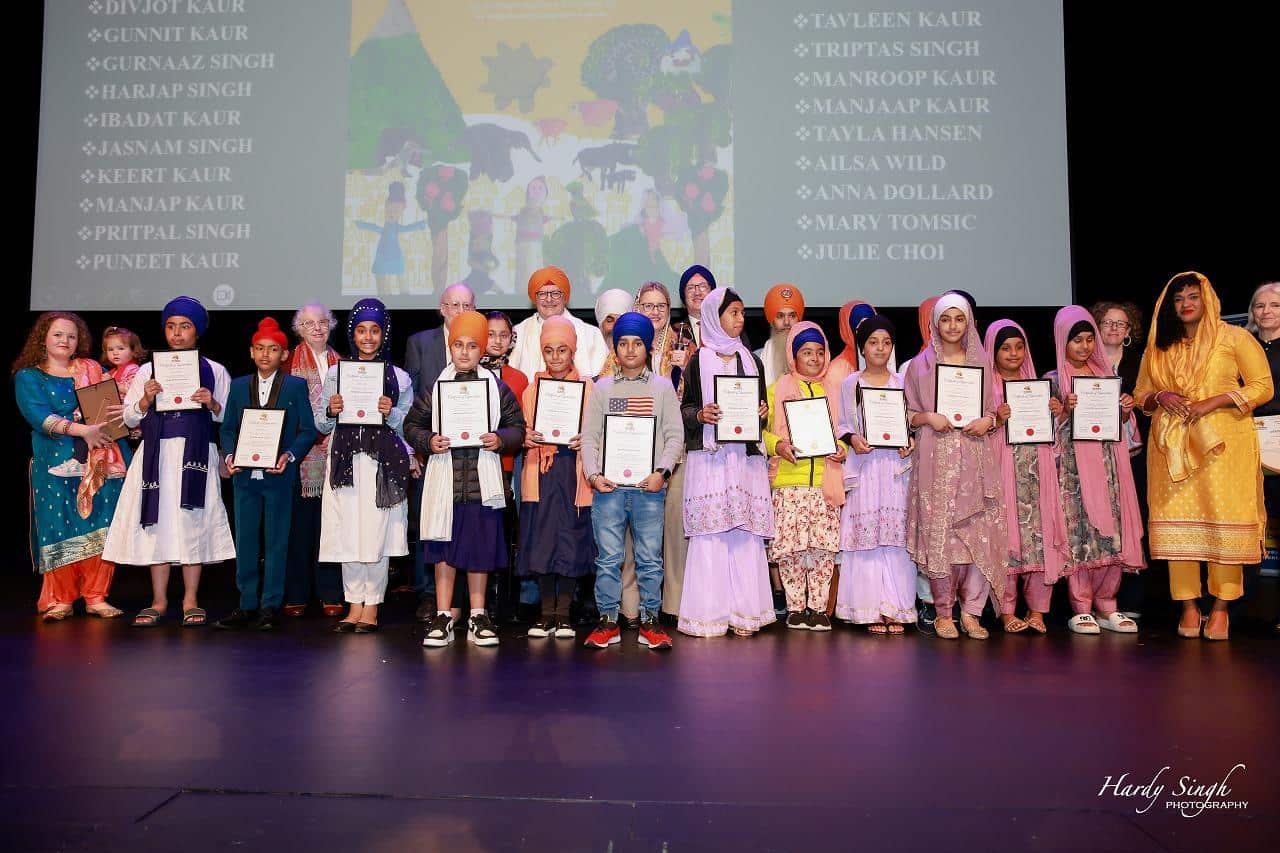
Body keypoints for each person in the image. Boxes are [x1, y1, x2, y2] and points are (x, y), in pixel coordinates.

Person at [1135, 271, 1272, 640]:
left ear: (1207, 298)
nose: (1186, 304)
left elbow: (1262, 386)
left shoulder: (1235, 337)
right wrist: (1160, 396)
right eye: (1178, 299)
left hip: (1224, 446)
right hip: (1171, 448)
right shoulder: (1159, 345)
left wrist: (1214, 401)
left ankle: (1222, 607)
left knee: (1221, 523)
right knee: (1180, 527)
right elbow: (1140, 394)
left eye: (1193, 296)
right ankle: (1189, 606)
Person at [103, 296, 235, 627]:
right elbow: (131, 419)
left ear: (197, 331)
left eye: (185, 327)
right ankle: (158, 601)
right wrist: (146, 397)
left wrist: (214, 404)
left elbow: (230, 421)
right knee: (157, 521)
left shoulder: (215, 370)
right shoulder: (146, 370)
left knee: (193, 522)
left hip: (196, 455)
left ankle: (191, 599)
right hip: (156, 455)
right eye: (171, 327)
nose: (177, 334)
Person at [408, 311, 525, 648]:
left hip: (481, 486)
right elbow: (412, 425)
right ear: (450, 347)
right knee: (443, 550)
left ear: (483, 349)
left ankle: (478, 613)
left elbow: (518, 428)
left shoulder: (497, 388)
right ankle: (444, 614)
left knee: (480, 551)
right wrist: (427, 441)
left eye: (472, 346)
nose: (464, 352)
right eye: (458, 345)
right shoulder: (436, 388)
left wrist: (500, 439)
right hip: (445, 485)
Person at [14, 312, 130, 620]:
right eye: (58, 335)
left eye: (72, 336)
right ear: (43, 338)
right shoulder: (29, 377)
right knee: (59, 525)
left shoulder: (92, 371)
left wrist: (130, 416)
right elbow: (39, 417)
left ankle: (96, 597)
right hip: (53, 465)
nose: (65, 341)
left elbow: (112, 408)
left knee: (100, 526)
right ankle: (61, 599)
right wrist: (84, 431)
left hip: (100, 461)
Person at [903, 293, 1006, 640]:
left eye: (958, 319)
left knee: (977, 531)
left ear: (969, 323)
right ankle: (944, 612)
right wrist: (927, 417)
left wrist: (988, 421)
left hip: (974, 455)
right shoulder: (921, 365)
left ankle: (972, 613)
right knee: (941, 535)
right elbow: (907, 414)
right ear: (935, 323)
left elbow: (993, 408)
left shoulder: (982, 364)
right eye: (945, 319)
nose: (951, 326)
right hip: (936, 458)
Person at [580, 312, 683, 650]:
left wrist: (661, 473)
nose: (630, 350)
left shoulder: (663, 387)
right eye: (623, 343)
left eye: (637, 343)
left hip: (648, 490)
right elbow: (591, 437)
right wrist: (594, 476)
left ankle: (650, 622)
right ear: (615, 348)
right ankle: (607, 621)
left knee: (650, 559)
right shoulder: (603, 388)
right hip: (609, 490)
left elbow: (674, 437)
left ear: (648, 347)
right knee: (608, 559)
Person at [678, 288, 775, 637]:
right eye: (732, 312)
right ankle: (709, 615)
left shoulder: (752, 360)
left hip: (744, 460)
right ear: (713, 317)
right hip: (710, 460)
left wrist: (761, 414)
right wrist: (701, 414)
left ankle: (745, 613)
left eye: (741, 313)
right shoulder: (696, 361)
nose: (740, 319)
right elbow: (683, 410)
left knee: (744, 534)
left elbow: (760, 412)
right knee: (712, 535)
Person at [317, 298, 413, 634]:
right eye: (361, 330)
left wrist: (392, 412)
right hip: (345, 461)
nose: (368, 337)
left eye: (375, 330)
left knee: (375, 534)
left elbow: (408, 426)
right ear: (352, 334)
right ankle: (352, 603)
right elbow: (321, 424)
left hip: (381, 464)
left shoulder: (399, 378)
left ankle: (371, 605)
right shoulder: (335, 374)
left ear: (383, 334)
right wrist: (331, 409)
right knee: (348, 532)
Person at [1047, 307, 1146, 635]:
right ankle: (1081, 606)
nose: (1085, 346)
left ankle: (1108, 605)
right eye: (1077, 340)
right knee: (1080, 533)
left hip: (1109, 470)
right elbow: (1039, 434)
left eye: (1090, 339)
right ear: (1063, 341)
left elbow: (1124, 433)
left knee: (1113, 532)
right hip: (1073, 474)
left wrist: (1125, 411)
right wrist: (1062, 412)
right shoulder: (1052, 381)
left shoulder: (1106, 379)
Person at [215, 318, 318, 631]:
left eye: (273, 350)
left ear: (284, 355)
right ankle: (246, 604)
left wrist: (289, 456)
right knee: (245, 540)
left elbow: (307, 430)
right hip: (245, 476)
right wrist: (230, 455)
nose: (265, 355)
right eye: (259, 349)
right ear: (250, 352)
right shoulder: (237, 385)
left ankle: (270, 605)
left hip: (279, 476)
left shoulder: (295, 386)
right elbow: (229, 428)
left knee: (276, 541)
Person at [985, 320, 1068, 634]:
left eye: (1019, 347)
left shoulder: (1035, 386)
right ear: (993, 351)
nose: (1013, 353)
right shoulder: (986, 388)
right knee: (1006, 540)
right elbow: (977, 434)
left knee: (1039, 539)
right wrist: (996, 418)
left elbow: (1053, 439)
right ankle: (1006, 612)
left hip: (1035, 474)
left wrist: (1055, 412)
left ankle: (1037, 611)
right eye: (1005, 348)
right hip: (1004, 474)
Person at [835, 315, 917, 633]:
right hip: (866, 469)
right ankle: (868, 609)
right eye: (873, 342)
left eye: (886, 342)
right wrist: (853, 438)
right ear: (863, 347)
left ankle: (895, 608)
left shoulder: (902, 383)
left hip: (895, 469)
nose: (880, 348)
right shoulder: (850, 383)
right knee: (867, 539)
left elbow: (910, 425)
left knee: (894, 539)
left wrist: (909, 442)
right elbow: (842, 424)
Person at [763, 321, 847, 629]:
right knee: (791, 549)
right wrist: (779, 445)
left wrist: (842, 449)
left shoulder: (834, 391)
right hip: (789, 481)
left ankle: (818, 607)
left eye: (819, 352)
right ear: (793, 357)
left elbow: (844, 432)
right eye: (806, 352)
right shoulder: (778, 389)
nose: (813, 358)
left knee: (823, 549)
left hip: (825, 480)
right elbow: (762, 432)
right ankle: (796, 606)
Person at [518, 316, 595, 638]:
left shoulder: (589, 389)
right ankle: (544, 613)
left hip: (573, 472)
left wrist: (585, 438)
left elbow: (598, 432)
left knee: (572, 541)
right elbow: (520, 429)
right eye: (549, 350)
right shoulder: (532, 391)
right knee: (543, 541)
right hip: (542, 472)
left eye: (562, 350)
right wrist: (528, 436)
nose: (556, 357)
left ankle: (563, 613)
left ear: (573, 350)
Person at [404, 283, 476, 621]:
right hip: (434, 452)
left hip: (474, 457)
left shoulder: (481, 341)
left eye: (467, 305)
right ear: (442, 308)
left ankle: (469, 600)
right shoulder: (420, 343)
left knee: (469, 526)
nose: (460, 311)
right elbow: (412, 403)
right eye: (454, 305)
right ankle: (428, 595)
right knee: (429, 524)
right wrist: (418, 446)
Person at [282, 303, 344, 617]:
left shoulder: (344, 363)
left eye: (322, 322)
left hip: (336, 455)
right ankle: (296, 593)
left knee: (332, 528)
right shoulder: (288, 361)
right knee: (299, 529)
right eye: (309, 324)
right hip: (300, 456)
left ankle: (331, 592)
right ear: (299, 329)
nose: (317, 328)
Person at [1246, 282, 1280, 633]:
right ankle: (1242, 607)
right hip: (1247, 443)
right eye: (1259, 306)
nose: (1266, 311)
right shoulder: (1244, 346)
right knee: (1251, 526)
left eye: (1274, 305)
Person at [509, 267, 608, 381]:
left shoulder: (591, 334)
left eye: (555, 293)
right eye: (542, 294)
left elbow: (601, 381)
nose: (549, 299)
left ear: (565, 297)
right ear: (534, 298)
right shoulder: (518, 332)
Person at [756, 283, 805, 385]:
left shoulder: (812, 356)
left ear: (799, 320)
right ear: (771, 321)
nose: (786, 322)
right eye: (780, 316)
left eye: (792, 316)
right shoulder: (756, 359)